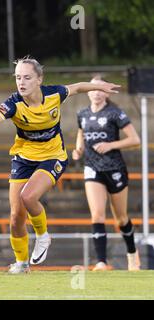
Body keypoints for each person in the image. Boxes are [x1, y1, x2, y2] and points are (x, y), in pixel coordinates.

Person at [0, 57, 120, 274]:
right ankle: (22, 263)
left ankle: (43, 236)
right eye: (17, 77)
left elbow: (79, 87)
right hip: (24, 158)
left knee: (28, 196)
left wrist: (100, 86)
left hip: (53, 156)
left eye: (26, 77)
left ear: (39, 79)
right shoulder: (14, 103)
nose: (21, 82)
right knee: (16, 216)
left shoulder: (54, 94)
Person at [72, 75, 141, 271]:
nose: (95, 92)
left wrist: (111, 145)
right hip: (92, 168)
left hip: (115, 169)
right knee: (97, 215)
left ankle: (132, 254)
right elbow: (80, 135)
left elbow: (135, 140)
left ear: (106, 92)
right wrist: (78, 150)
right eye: (92, 88)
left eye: (100, 89)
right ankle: (102, 262)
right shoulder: (82, 114)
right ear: (87, 91)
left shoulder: (115, 113)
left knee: (121, 219)